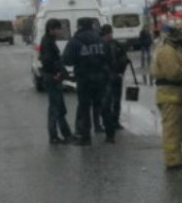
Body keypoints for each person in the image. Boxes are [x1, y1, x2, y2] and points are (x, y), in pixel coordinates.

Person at [63, 17, 110, 146]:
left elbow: (66, 60)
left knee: (84, 107)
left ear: (79, 26)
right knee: (102, 105)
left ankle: (85, 137)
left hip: (84, 78)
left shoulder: (75, 41)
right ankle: (110, 134)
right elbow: (109, 57)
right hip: (100, 78)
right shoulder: (100, 39)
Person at [151, 26, 182, 170]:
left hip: (173, 95)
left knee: (177, 128)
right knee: (171, 130)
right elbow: (173, 73)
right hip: (169, 95)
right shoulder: (167, 51)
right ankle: (172, 161)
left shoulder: (172, 48)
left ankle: (176, 157)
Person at [39, 18, 73, 144]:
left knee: (58, 107)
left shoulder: (48, 40)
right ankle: (55, 136)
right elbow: (47, 60)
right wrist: (56, 73)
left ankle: (65, 134)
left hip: (52, 76)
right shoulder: (48, 42)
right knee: (55, 108)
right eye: (58, 29)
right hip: (52, 77)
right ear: (52, 29)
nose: (60, 31)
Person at [100, 24, 130, 142]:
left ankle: (114, 121)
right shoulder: (108, 45)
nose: (109, 36)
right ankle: (109, 123)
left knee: (115, 100)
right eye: (107, 34)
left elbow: (124, 59)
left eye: (110, 33)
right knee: (108, 101)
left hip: (115, 76)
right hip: (109, 77)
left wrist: (120, 72)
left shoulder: (114, 44)